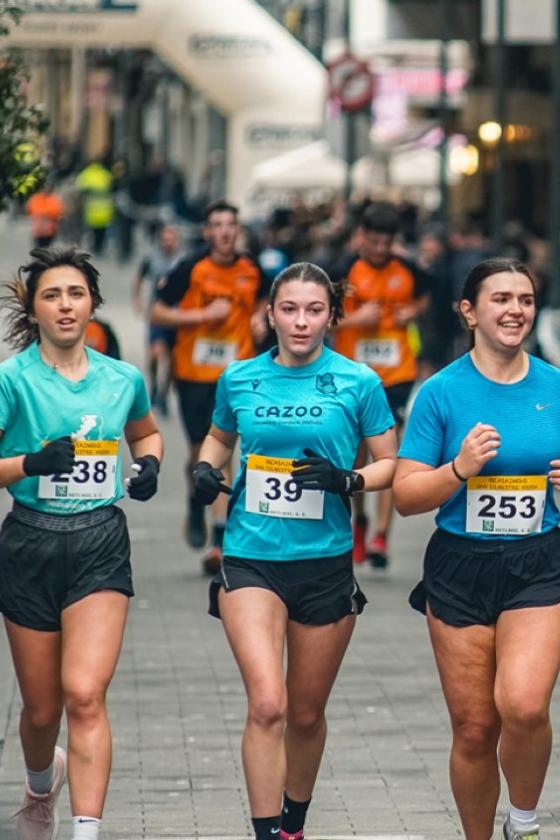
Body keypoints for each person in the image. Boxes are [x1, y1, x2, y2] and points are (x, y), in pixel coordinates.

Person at [191, 262, 397, 840]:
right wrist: (207, 469)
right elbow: (219, 437)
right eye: (289, 309)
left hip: (325, 560)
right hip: (252, 554)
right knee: (268, 705)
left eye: (313, 310)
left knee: (305, 715)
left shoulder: (359, 382)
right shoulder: (239, 377)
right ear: (270, 314)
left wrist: (348, 480)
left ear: (331, 315)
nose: (301, 321)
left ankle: (293, 825)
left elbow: (392, 464)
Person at [392, 258, 560, 840]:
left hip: (537, 561)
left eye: (525, 300)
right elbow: (406, 496)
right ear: (469, 311)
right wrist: (458, 468)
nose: (515, 310)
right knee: (476, 727)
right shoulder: (441, 393)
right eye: (501, 298)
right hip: (460, 564)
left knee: (524, 706)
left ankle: (523, 823)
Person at [0, 247, 163, 840]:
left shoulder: (122, 378)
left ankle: (86, 831)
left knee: (84, 693)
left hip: (98, 541)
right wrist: (28, 463)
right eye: (51, 296)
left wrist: (148, 470)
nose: (65, 306)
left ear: (93, 303)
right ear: (34, 309)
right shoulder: (11, 380)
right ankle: (41, 786)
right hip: (30, 543)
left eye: (75, 294)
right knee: (42, 711)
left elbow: (146, 434)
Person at [151, 200, 266, 574]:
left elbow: (266, 301)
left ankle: (220, 540)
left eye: (231, 224)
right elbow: (157, 312)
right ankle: (193, 496)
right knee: (199, 453)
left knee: (225, 451)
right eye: (217, 224)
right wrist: (203, 315)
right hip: (193, 375)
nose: (225, 231)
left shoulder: (253, 269)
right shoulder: (191, 268)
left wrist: (260, 319)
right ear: (206, 232)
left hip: (237, 375)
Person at [331, 202, 430, 569]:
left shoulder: (408, 270)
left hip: (396, 373)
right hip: (354, 377)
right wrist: (356, 319)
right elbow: (321, 319)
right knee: (356, 456)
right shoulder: (342, 271)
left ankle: (382, 537)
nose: (379, 250)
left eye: (386, 243)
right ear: (361, 237)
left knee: (389, 455)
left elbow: (428, 294)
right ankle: (360, 522)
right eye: (373, 242)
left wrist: (413, 311)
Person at [133, 224, 184, 414]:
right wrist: (137, 299)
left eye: (171, 238)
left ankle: (163, 393)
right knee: (155, 353)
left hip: (177, 315)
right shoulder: (152, 258)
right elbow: (139, 277)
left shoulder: (183, 260)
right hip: (157, 312)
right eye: (165, 238)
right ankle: (154, 385)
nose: (168, 242)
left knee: (172, 358)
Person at [74, 160, 115, 257]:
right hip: (104, 209)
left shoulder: (86, 173)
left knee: (92, 231)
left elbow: (78, 188)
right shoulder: (105, 173)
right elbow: (111, 187)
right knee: (101, 232)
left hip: (91, 210)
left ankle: (94, 247)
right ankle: (99, 248)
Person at [26, 184, 65, 249]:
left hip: (50, 230)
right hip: (38, 230)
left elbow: (57, 211)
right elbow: (32, 210)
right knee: (38, 248)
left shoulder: (53, 199)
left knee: (47, 248)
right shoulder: (36, 199)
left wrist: (45, 213)